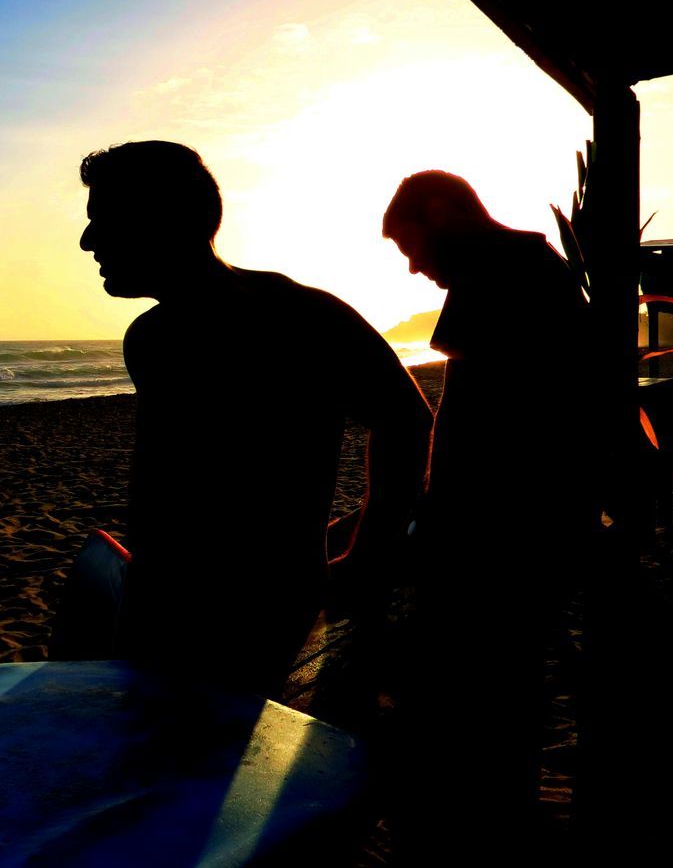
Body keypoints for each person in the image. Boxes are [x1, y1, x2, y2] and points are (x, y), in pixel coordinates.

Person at [77, 140, 432, 696]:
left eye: (104, 220)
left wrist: (368, 551)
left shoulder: (295, 317)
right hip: (170, 602)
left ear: (164, 220)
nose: (87, 240)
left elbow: (406, 420)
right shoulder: (158, 336)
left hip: (253, 616)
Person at [381, 171, 596, 843]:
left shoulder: (498, 270)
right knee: (507, 673)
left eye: (412, 248)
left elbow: (475, 419)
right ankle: (498, 808)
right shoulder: (535, 263)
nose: (415, 269)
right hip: (530, 511)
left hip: (501, 521)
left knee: (482, 674)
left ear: (442, 213)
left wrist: (434, 514)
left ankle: (480, 821)